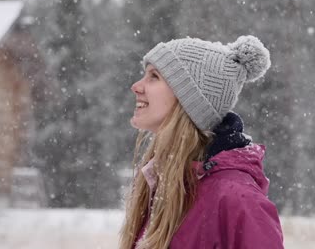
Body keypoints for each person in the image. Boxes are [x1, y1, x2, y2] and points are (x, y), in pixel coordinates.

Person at [119, 35, 284, 249]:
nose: (136, 86)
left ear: (189, 98)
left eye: (154, 76)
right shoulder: (163, 184)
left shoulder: (236, 201)